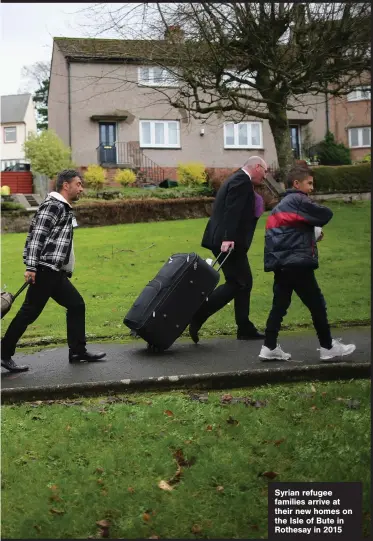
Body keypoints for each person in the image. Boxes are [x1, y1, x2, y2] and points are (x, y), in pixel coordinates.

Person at [1, 169, 106, 372]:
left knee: (76, 305)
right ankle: (4, 353)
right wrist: (31, 267)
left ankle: (77, 351)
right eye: (78, 184)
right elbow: (36, 237)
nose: (81, 188)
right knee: (29, 313)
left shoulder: (63, 208)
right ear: (66, 185)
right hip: (44, 270)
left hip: (54, 271)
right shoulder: (52, 206)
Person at [259, 165, 356, 362]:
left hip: (282, 264)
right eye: (309, 183)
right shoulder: (298, 199)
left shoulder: (280, 205)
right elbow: (325, 214)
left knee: (279, 306)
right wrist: (313, 229)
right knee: (317, 304)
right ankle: (328, 346)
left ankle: (269, 346)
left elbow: (283, 234)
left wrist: (309, 233)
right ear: (296, 184)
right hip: (297, 263)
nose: (312, 188)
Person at [189, 156, 268, 343]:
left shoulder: (236, 179)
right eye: (264, 171)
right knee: (239, 283)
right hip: (228, 242)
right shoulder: (242, 181)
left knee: (242, 283)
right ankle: (198, 315)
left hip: (224, 240)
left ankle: (244, 327)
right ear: (257, 167)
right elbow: (233, 211)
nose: (264, 177)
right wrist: (228, 238)